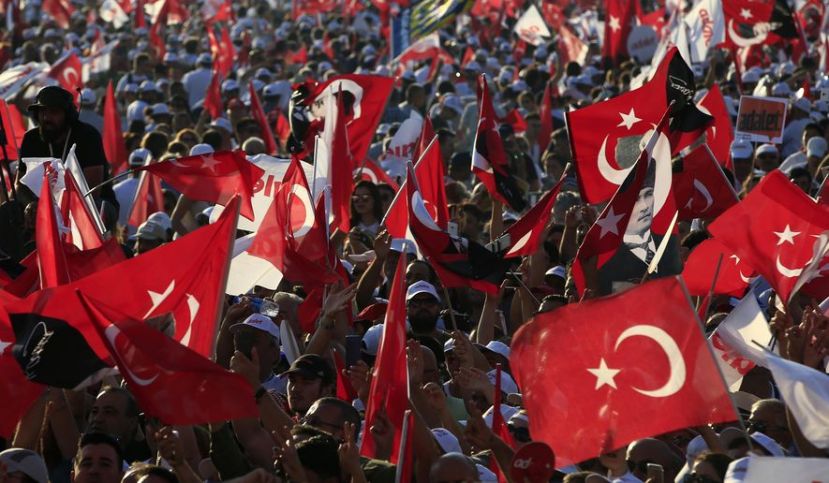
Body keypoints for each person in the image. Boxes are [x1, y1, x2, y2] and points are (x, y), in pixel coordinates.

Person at [19, 86, 110, 190]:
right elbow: (20, 186)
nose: (46, 117)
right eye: (42, 111)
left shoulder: (88, 136)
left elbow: (93, 190)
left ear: (67, 115)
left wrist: (57, 205)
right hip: (42, 204)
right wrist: (31, 204)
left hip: (90, 202)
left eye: (54, 112)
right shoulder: (31, 138)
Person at [87, 386, 151, 463]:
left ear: (132, 422)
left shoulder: (144, 466)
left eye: (108, 412)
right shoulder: (79, 458)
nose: (97, 419)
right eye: (94, 412)